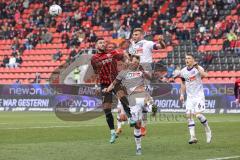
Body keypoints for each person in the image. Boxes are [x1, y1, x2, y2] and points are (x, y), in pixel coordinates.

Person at [103, 55, 151, 155]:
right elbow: (114, 83)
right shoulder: (124, 72)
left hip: (142, 95)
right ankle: (138, 147)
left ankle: (150, 106)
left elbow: (149, 78)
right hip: (132, 100)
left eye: (137, 63)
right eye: (134, 62)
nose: (135, 64)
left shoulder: (141, 71)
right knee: (137, 125)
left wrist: (144, 73)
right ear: (130, 61)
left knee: (148, 100)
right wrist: (107, 89)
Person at [90, 38, 133, 144]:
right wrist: (96, 85)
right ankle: (113, 132)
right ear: (96, 46)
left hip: (116, 82)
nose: (103, 44)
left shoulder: (112, 53)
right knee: (107, 110)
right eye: (100, 42)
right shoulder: (94, 58)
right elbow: (96, 73)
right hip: (104, 85)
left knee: (123, 99)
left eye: (104, 42)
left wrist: (127, 61)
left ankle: (131, 118)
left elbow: (123, 56)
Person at [128, 28, 166, 136]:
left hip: (145, 71)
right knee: (137, 98)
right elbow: (131, 58)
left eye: (136, 34)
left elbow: (161, 46)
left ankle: (143, 122)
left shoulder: (147, 43)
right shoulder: (132, 46)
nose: (134, 36)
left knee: (143, 94)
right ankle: (148, 107)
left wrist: (161, 41)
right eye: (133, 34)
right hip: (134, 72)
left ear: (142, 35)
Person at [179, 53, 212, 144]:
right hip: (189, 97)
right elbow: (183, 84)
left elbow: (205, 75)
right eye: (186, 58)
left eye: (189, 58)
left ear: (193, 60)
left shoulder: (198, 68)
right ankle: (192, 137)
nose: (187, 60)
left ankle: (207, 129)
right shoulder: (183, 71)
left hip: (199, 96)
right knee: (189, 116)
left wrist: (197, 67)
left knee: (198, 115)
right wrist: (182, 94)